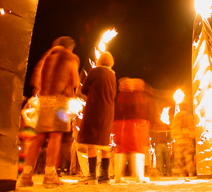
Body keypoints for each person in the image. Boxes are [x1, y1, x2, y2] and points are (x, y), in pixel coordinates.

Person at [18, 36, 80, 188]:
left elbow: (35, 81)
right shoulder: (70, 57)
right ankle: (50, 174)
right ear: (70, 47)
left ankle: (26, 175)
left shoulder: (46, 57)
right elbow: (75, 81)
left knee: (37, 137)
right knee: (55, 136)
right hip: (60, 100)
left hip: (43, 99)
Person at [77, 52, 117, 184]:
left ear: (99, 61)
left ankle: (92, 175)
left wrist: (90, 91)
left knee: (91, 141)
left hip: (95, 108)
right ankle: (104, 176)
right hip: (108, 111)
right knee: (104, 142)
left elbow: (83, 89)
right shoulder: (112, 75)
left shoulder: (95, 71)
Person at [113, 78, 156, 183]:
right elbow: (139, 109)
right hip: (133, 123)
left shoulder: (118, 96)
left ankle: (118, 176)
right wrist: (149, 123)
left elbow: (115, 109)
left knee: (120, 149)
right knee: (136, 149)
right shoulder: (137, 95)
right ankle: (139, 176)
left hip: (119, 124)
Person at [170, 103, 196, 177]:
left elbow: (173, 130)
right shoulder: (189, 117)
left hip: (180, 140)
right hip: (187, 140)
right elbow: (193, 130)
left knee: (180, 159)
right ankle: (190, 173)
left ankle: (183, 174)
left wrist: (179, 134)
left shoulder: (176, 118)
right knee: (188, 158)